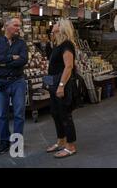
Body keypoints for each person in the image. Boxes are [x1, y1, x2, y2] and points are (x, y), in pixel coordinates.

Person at [0, 17, 28, 155]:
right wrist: (11, 58)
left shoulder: (22, 43)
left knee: (19, 114)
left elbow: (23, 60)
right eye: (16, 25)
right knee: (1, 114)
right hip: (0, 82)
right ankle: (4, 142)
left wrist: (3, 61)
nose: (18, 28)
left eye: (19, 26)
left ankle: (17, 144)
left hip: (18, 81)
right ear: (6, 26)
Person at [46, 19, 78, 158]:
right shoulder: (57, 44)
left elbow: (69, 66)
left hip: (62, 84)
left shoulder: (67, 45)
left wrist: (61, 86)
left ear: (62, 28)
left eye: (57, 24)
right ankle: (61, 141)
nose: (53, 25)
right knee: (55, 113)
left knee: (65, 115)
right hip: (54, 84)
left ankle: (70, 146)